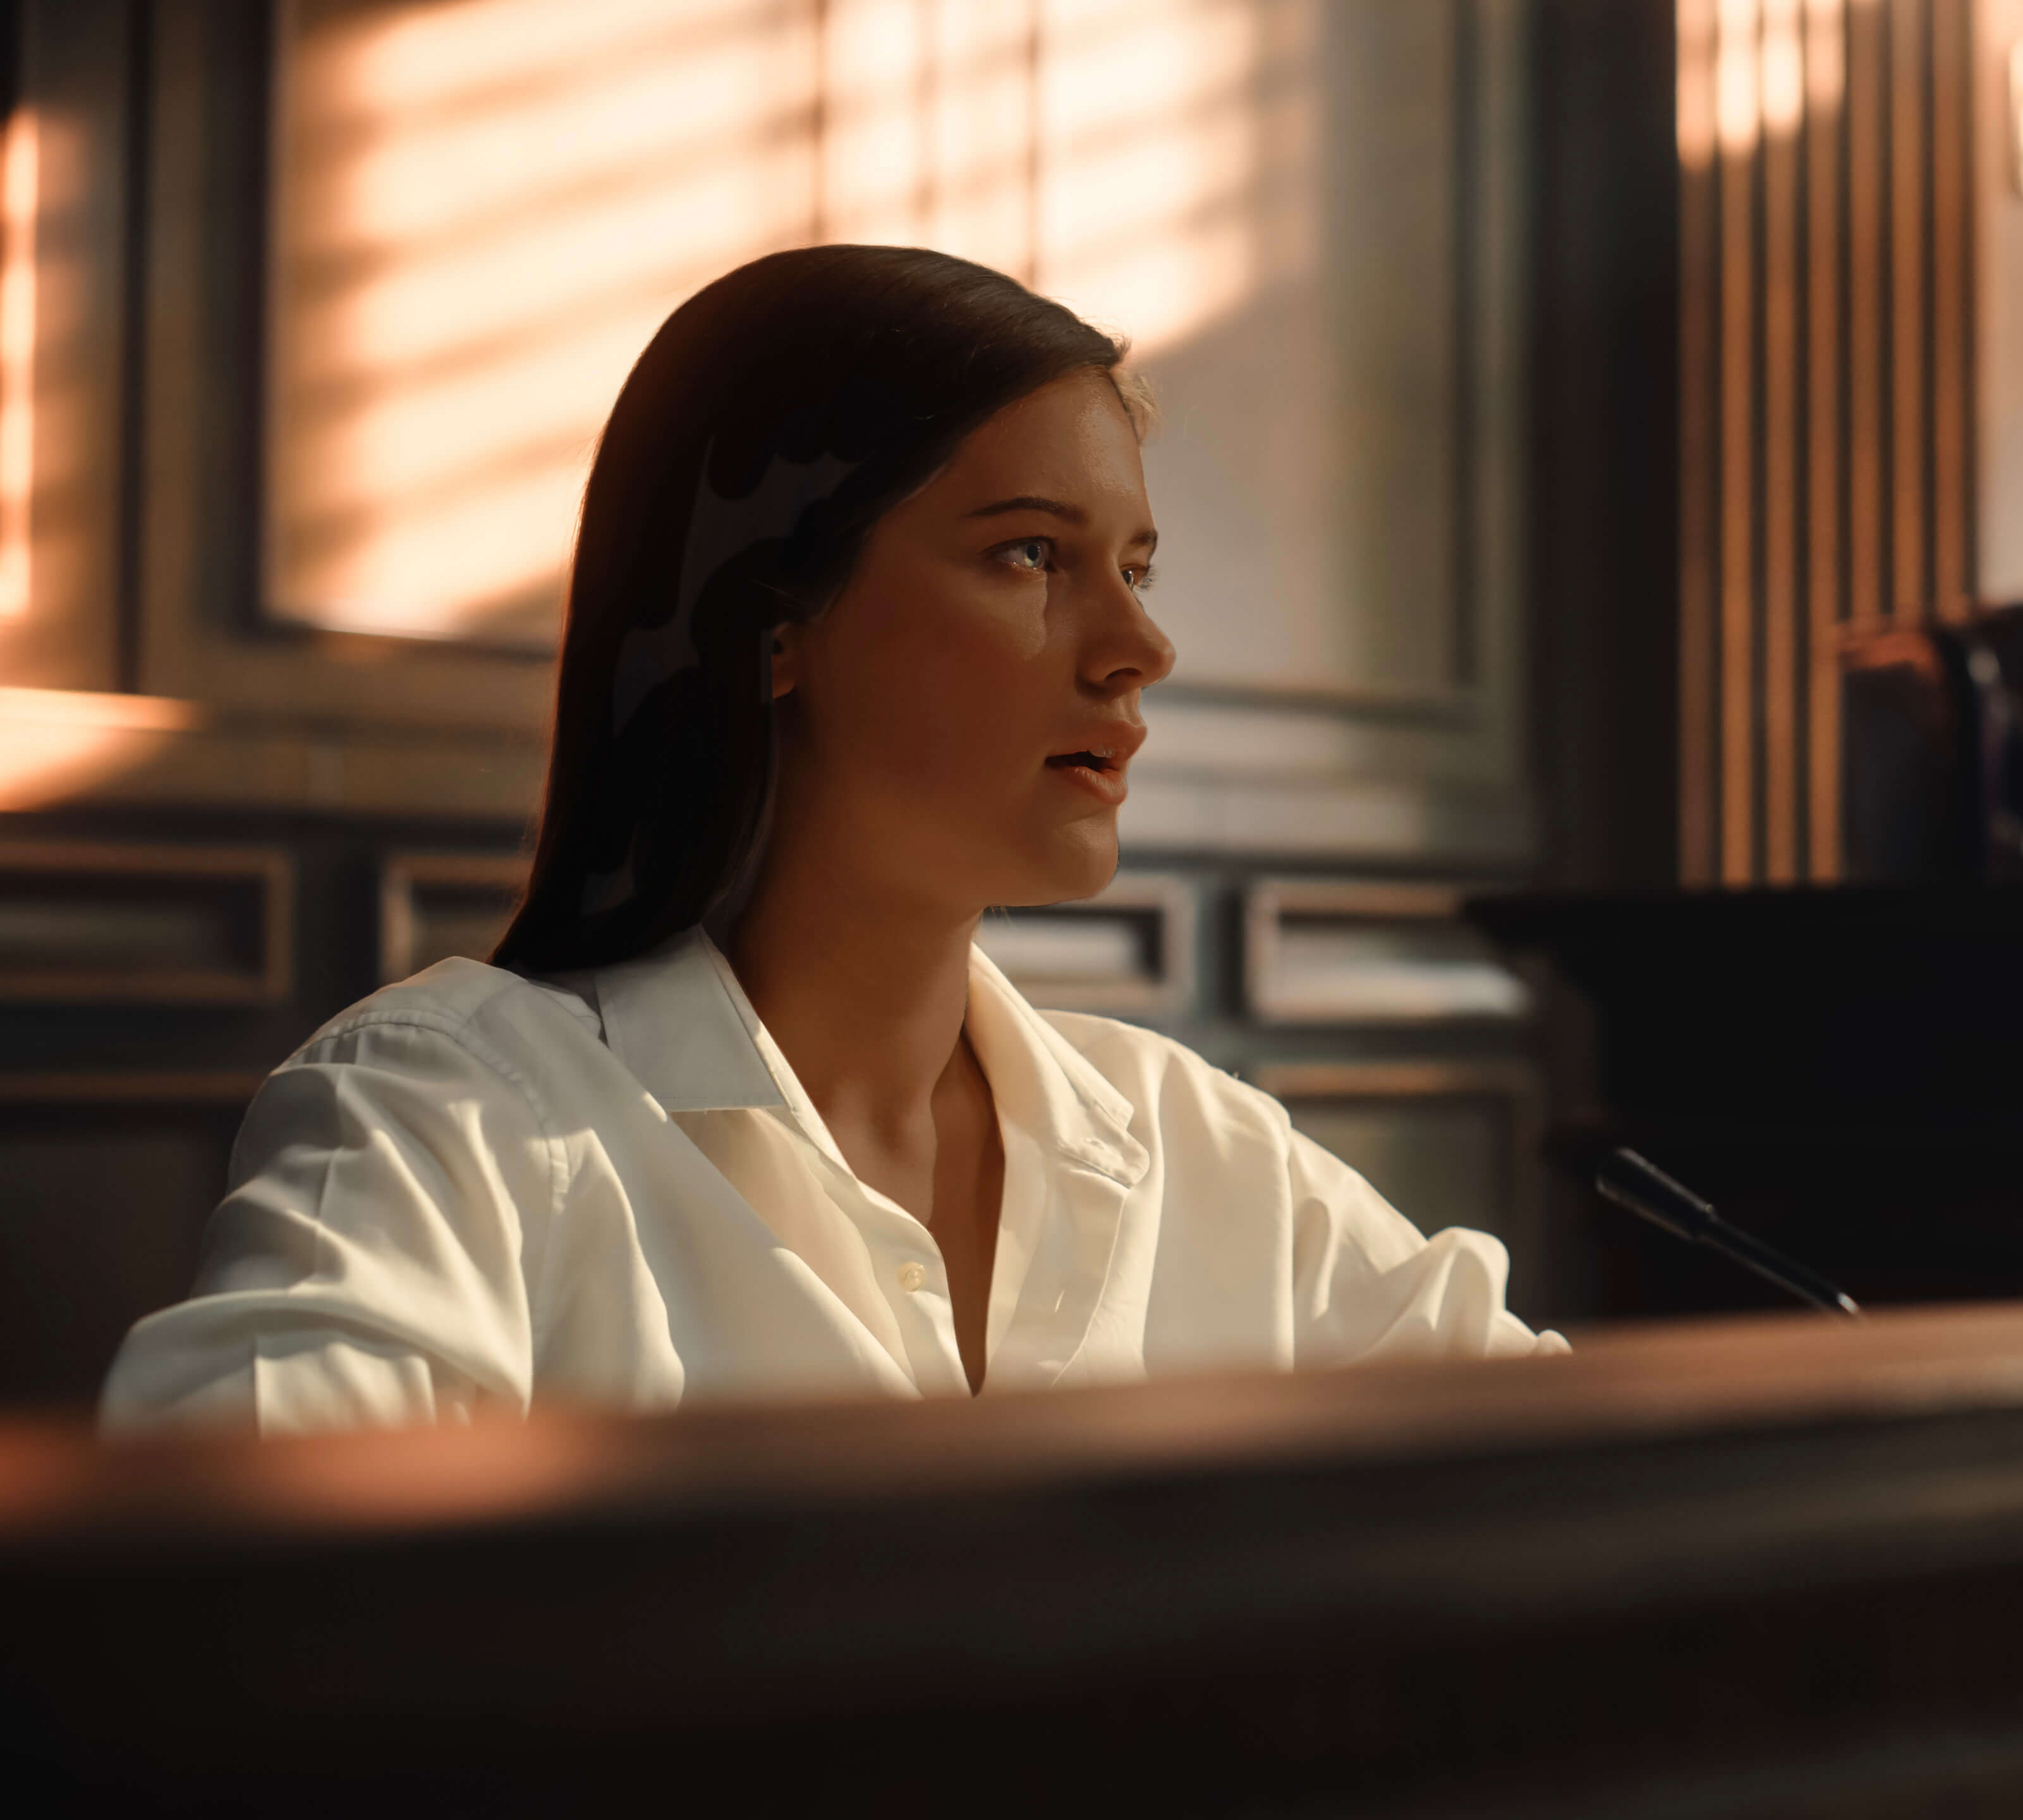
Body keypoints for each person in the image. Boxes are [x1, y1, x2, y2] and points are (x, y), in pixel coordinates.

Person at [104, 247, 1561, 1435]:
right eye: (1030, 556)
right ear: (774, 622)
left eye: (1134, 566)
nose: (1140, 647)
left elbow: (1586, 1486)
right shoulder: (452, 1120)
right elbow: (213, 1610)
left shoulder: (1201, 1146)